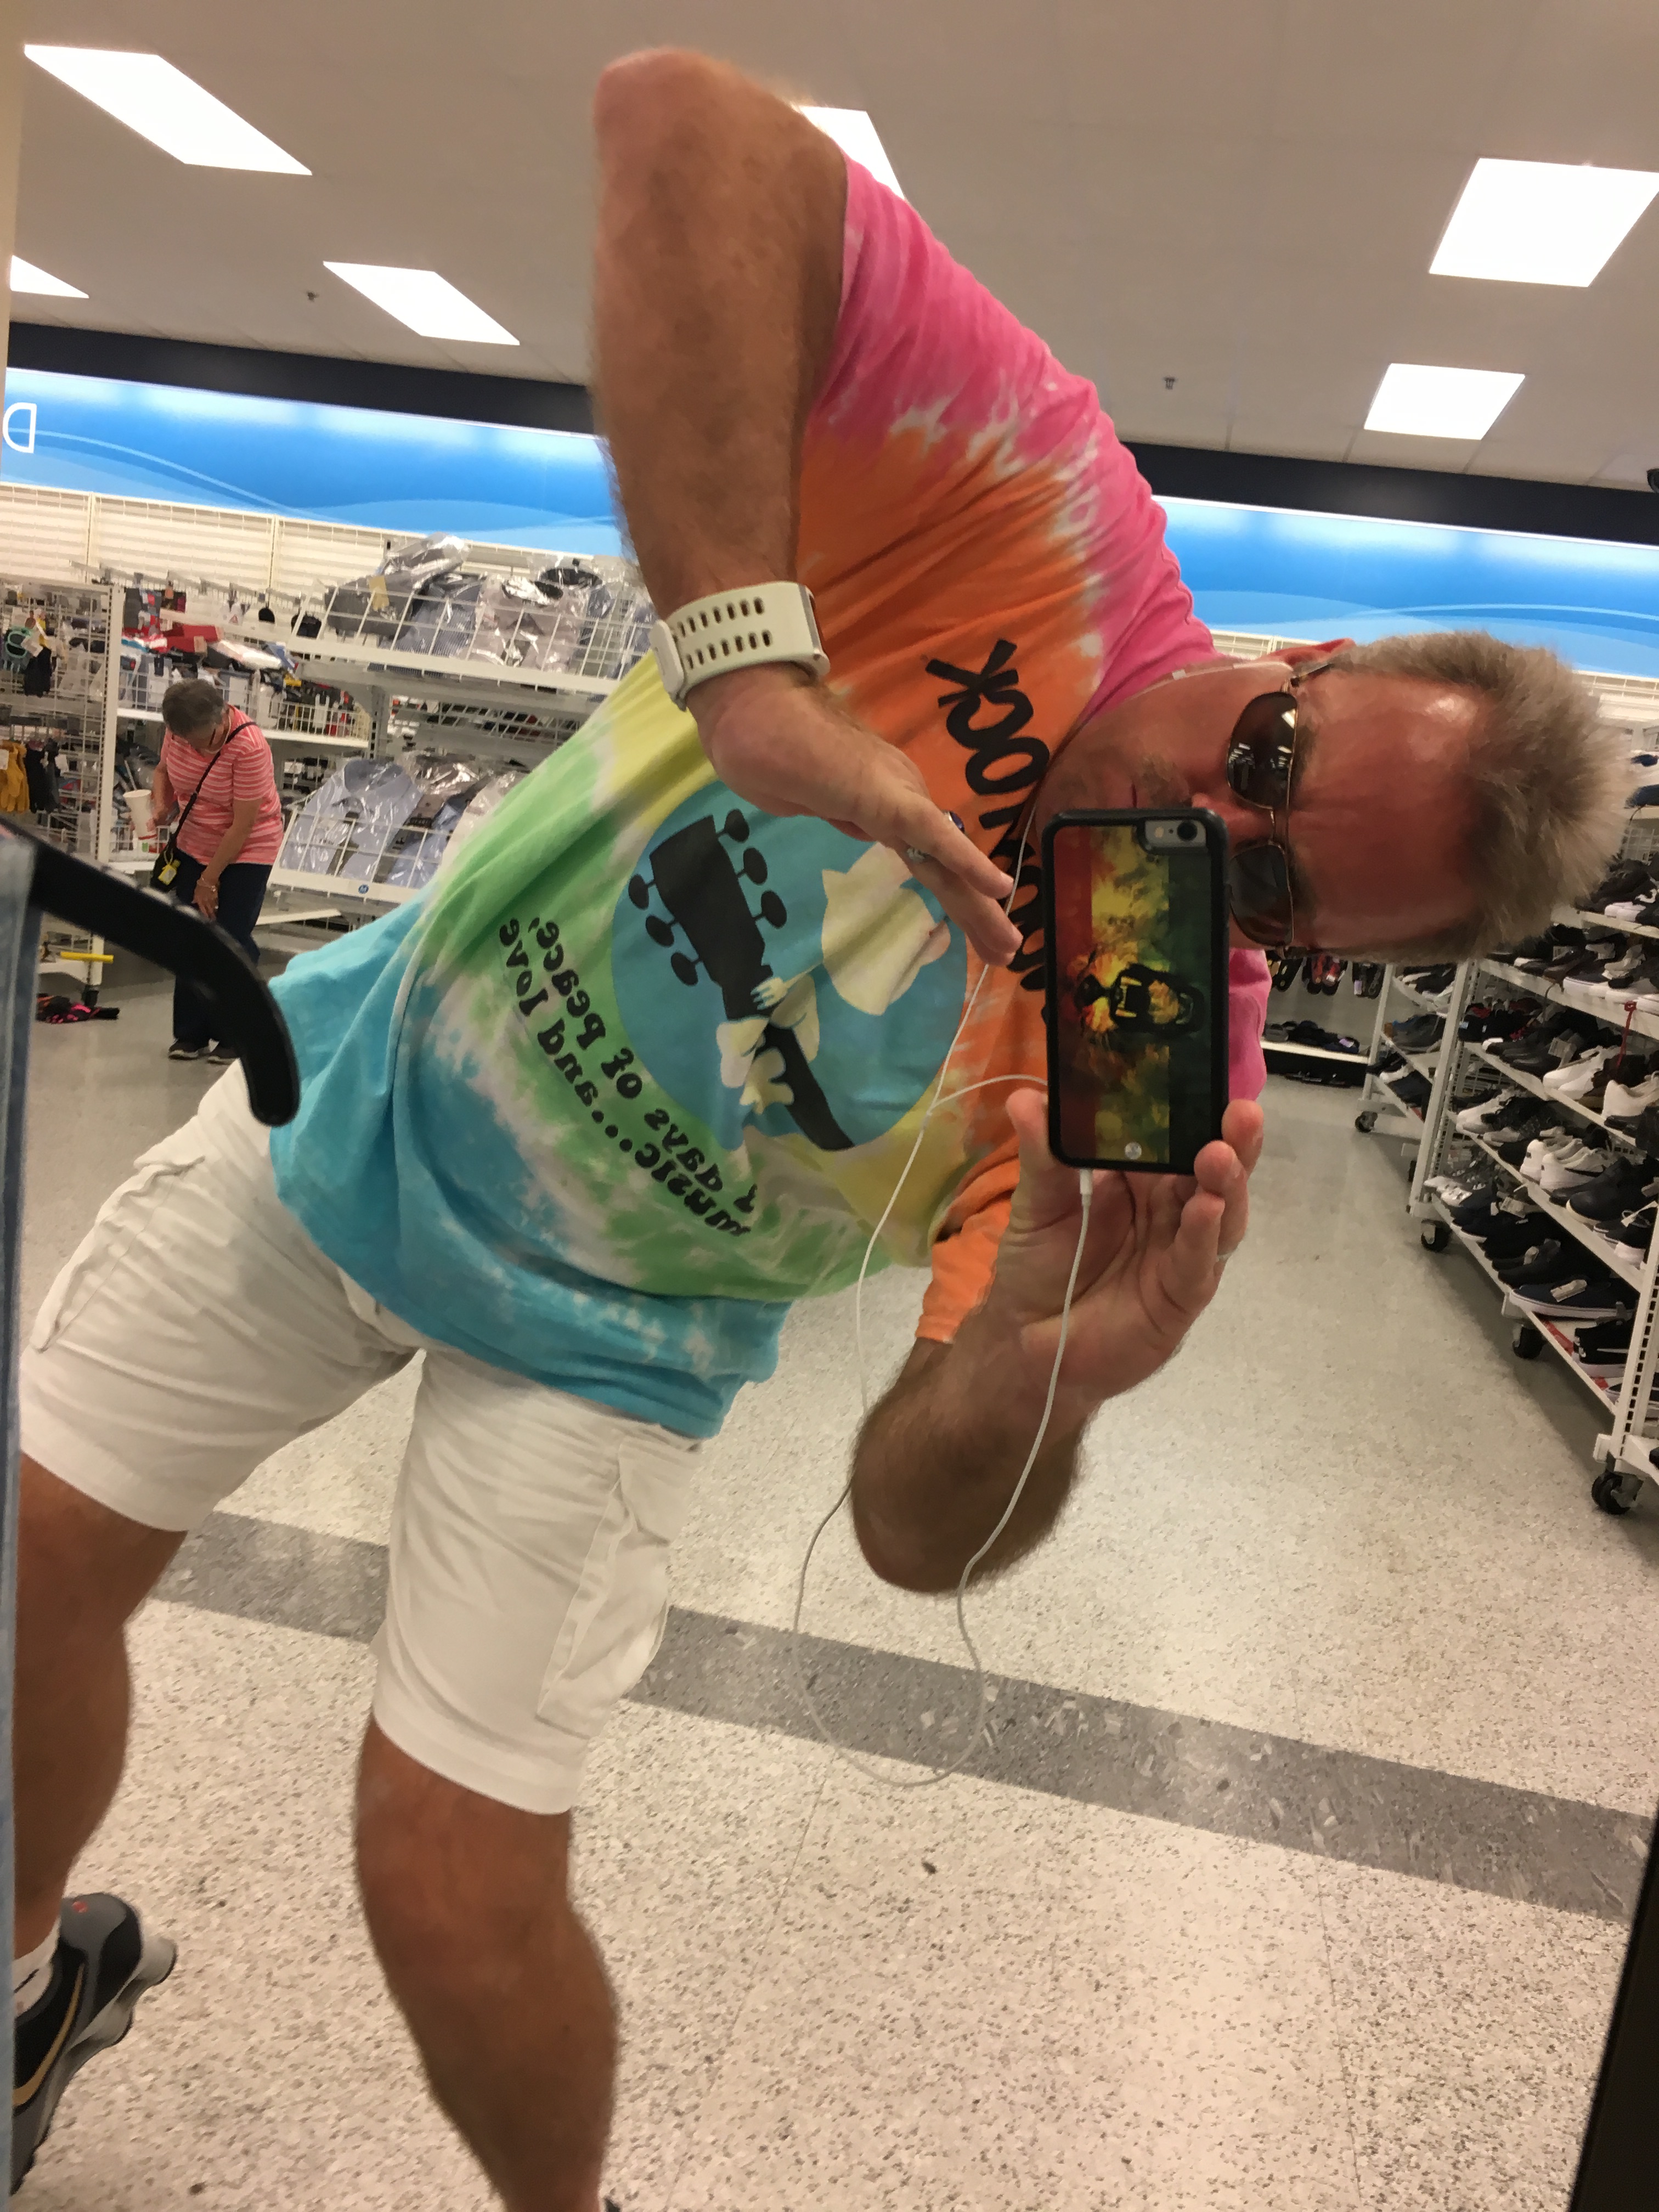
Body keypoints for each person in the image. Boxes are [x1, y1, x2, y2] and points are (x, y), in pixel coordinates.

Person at [8, 51, 1627, 2212]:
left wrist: (1048, 1364)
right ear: (1305, 657)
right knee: (30, 1571)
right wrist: (749, 660)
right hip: (359, 1088)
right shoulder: (1040, 502)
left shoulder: (1146, 1080)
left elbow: (907, 1537)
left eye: (1268, 886)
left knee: (450, 1887)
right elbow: (682, 125)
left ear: (1314, 957)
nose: (1197, 819)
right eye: (1264, 755)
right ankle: (24, 1988)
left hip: (617, 1335)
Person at [149, 677, 284, 1063]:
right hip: (194, 841)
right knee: (190, 933)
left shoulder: (249, 746)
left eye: (201, 742)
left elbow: (243, 825)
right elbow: (163, 772)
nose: (193, 748)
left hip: (248, 846)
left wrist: (209, 880)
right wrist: (161, 806)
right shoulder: (179, 732)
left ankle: (236, 1032)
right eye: (185, 741)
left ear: (222, 717)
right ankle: (190, 1034)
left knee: (230, 937)